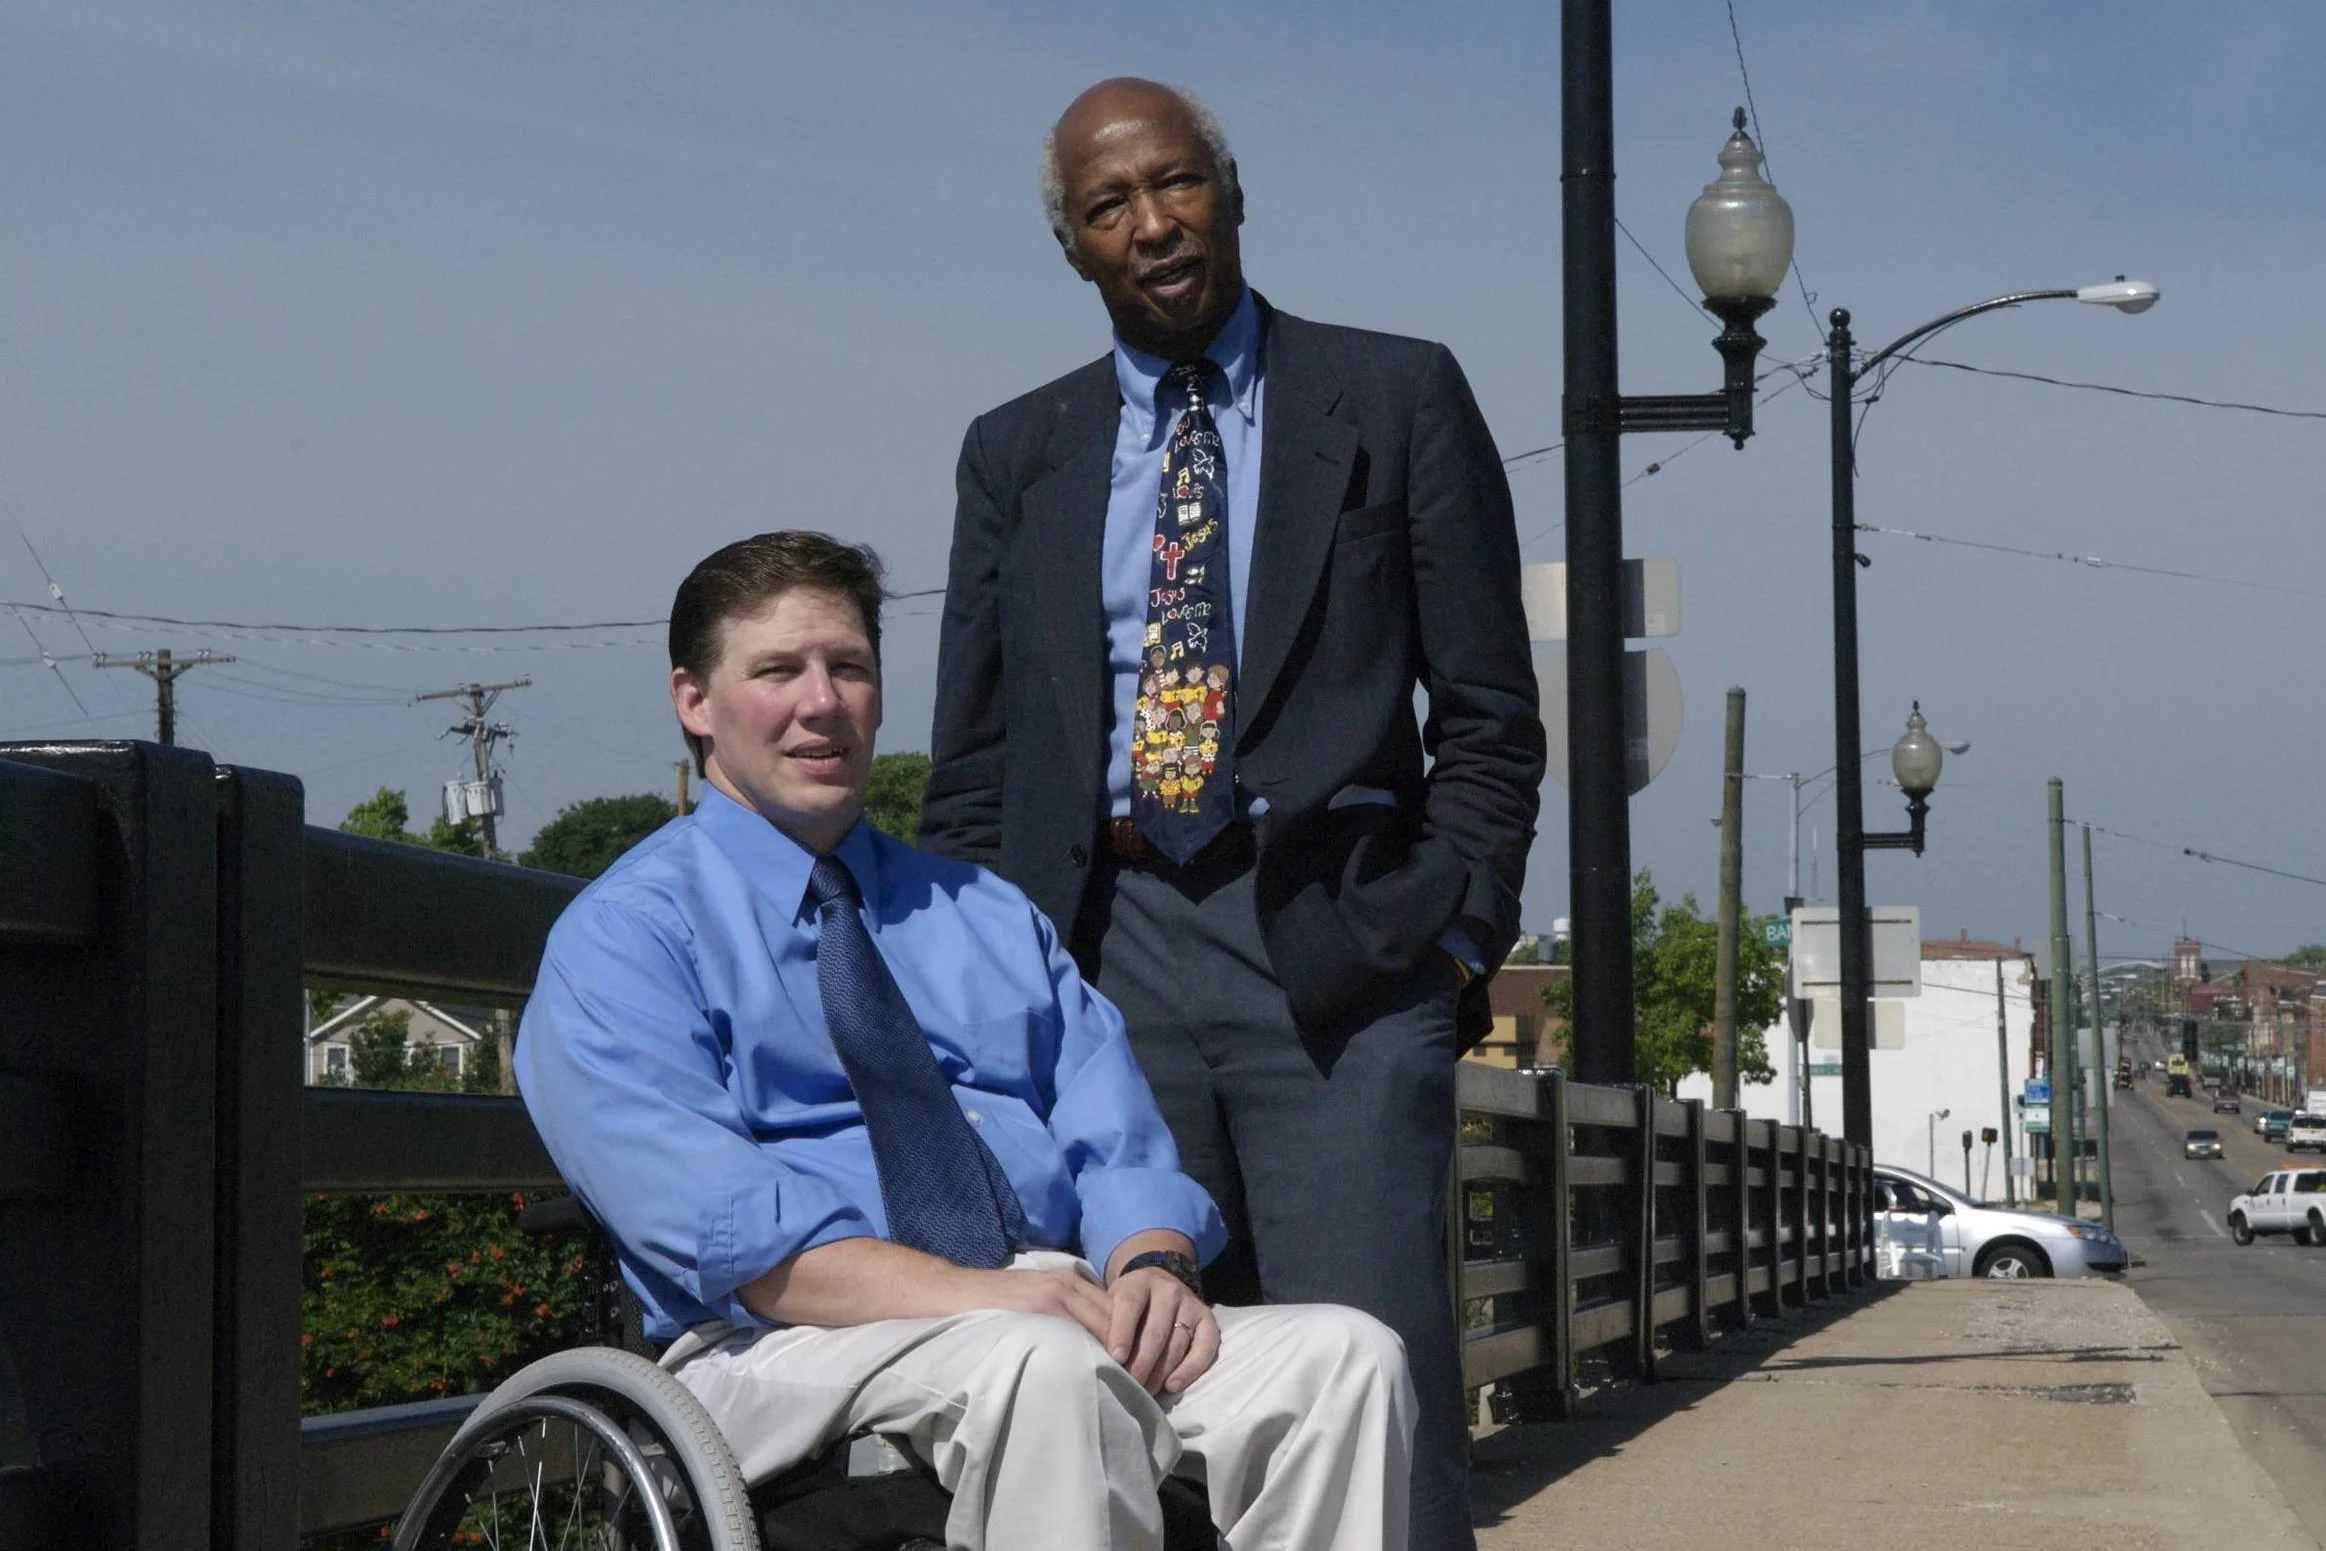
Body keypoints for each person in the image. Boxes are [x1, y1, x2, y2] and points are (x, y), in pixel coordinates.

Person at [515, 531, 1414, 1551]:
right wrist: (994, 1300)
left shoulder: (981, 913)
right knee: (1045, 1365)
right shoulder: (625, 937)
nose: (822, 702)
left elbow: (1110, 1132)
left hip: (1032, 1300)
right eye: (777, 671)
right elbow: (736, 1239)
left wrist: (1152, 1263)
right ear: (694, 702)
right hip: (774, 1347)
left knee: (1346, 1358)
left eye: (847, 666)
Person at [921, 79, 1543, 1549]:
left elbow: (1490, 717)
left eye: (1175, 184)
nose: (1152, 225)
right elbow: (973, 763)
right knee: (1134, 1385)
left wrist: (1452, 942)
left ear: (1232, 187)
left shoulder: (1395, 396)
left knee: (1368, 1383)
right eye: (1108, 207)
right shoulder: (1016, 453)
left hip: (1336, 948)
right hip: (1098, 961)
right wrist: (972, 1003)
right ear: (1072, 246)